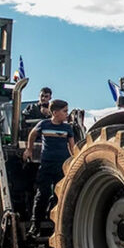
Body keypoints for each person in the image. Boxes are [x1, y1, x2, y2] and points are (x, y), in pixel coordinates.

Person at [24, 99, 75, 237]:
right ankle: (35, 225)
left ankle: (55, 226)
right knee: (42, 194)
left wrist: (75, 159)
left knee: (60, 196)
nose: (67, 114)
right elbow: (32, 134)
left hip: (61, 166)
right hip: (46, 165)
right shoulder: (44, 124)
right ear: (55, 112)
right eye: (64, 111)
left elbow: (72, 146)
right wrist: (29, 149)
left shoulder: (67, 128)